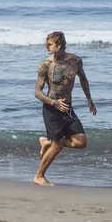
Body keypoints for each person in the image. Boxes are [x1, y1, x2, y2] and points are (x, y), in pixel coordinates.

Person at [33, 31, 97, 186]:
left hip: (67, 108)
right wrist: (53, 103)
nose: (46, 46)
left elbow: (83, 79)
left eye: (49, 44)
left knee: (81, 142)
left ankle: (47, 142)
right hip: (52, 108)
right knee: (59, 144)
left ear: (59, 45)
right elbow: (37, 92)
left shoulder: (75, 61)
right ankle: (39, 176)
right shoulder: (46, 65)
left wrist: (90, 100)